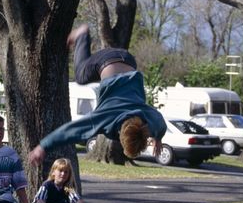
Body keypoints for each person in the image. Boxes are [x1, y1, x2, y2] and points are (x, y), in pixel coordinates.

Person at [28, 24, 167, 166]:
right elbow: (70, 131)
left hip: (129, 60)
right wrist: (42, 147)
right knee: (81, 77)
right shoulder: (105, 118)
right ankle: (82, 34)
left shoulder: (150, 122)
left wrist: (157, 137)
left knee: (101, 82)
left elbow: (161, 124)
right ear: (120, 136)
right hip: (107, 60)